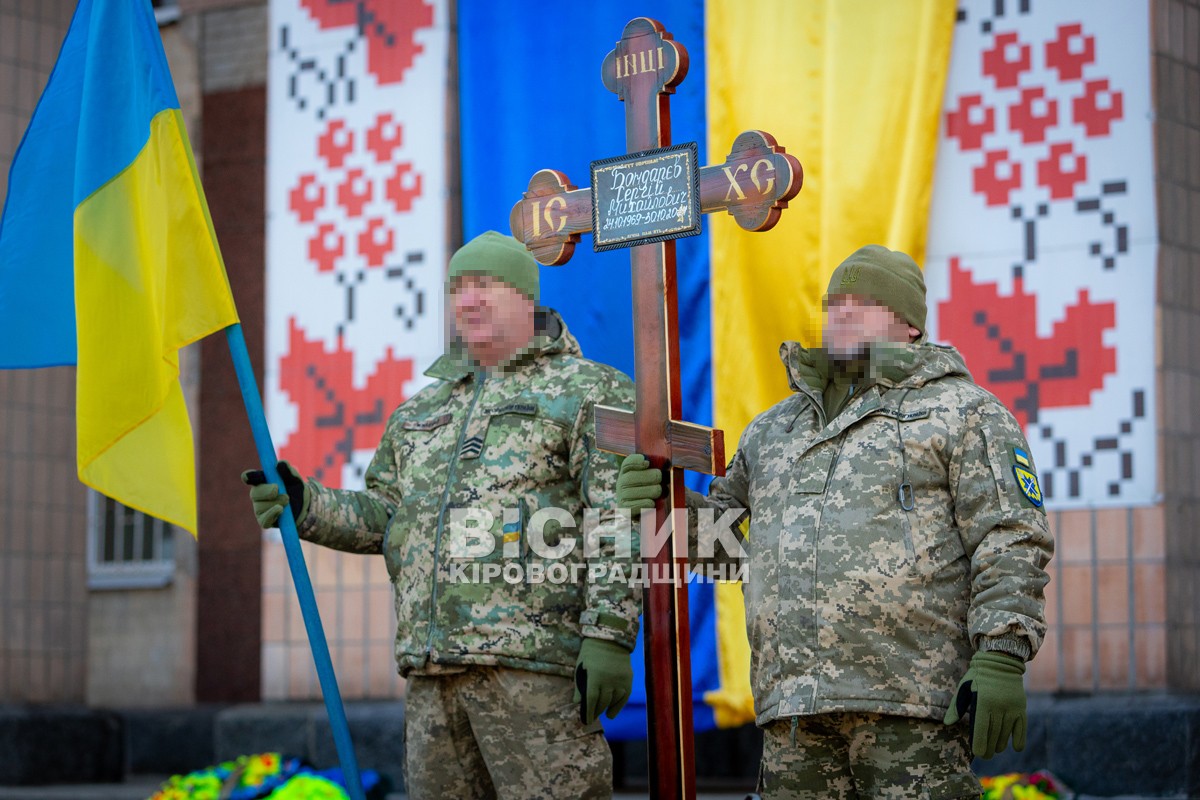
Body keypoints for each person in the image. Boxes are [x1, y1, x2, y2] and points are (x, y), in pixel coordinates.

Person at [617, 245, 1053, 799]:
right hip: (794, 712)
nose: (842, 313)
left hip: (911, 705)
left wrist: (1001, 654)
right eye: (835, 303)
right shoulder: (772, 431)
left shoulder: (965, 414)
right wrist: (658, 509)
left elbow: (1011, 536)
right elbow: (723, 549)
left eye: (864, 302)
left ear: (910, 327)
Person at [243, 230, 639, 799]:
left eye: (485, 285)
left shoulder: (588, 391)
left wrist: (609, 637)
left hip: (532, 671)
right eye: (458, 288)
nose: (468, 300)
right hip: (432, 675)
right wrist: (306, 503)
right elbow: (384, 516)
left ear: (526, 297)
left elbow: (617, 517)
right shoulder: (420, 411)